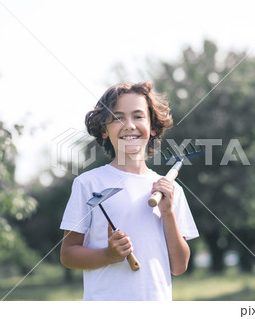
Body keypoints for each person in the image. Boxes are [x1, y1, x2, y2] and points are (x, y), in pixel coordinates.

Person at [59, 81, 199, 301]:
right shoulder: (88, 184)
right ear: (104, 130)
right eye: (117, 118)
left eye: (138, 116)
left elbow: (179, 266)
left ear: (153, 127)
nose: (129, 125)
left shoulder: (170, 190)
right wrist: (108, 255)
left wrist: (168, 212)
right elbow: (68, 254)